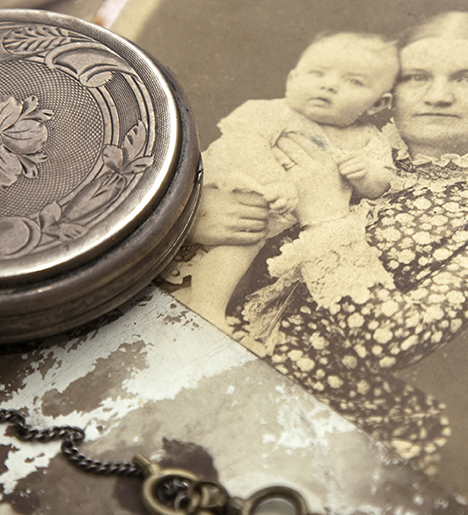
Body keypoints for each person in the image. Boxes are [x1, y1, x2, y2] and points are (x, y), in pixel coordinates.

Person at [185, 12, 468, 472]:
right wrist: (191, 216)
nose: (438, 96)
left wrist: (326, 215)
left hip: (302, 419)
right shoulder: (312, 126)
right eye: (417, 77)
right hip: (180, 348)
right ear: (389, 91)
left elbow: (395, 340)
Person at [170, 31, 399, 322]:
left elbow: (383, 183)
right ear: (293, 80)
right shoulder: (274, 111)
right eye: (317, 74)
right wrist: (274, 180)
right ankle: (207, 305)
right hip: (232, 187)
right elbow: (245, 141)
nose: (329, 85)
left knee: (246, 242)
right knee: (244, 232)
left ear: (378, 103)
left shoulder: (368, 140)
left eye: (353, 82)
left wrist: (366, 175)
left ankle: (201, 299)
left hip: (274, 216)